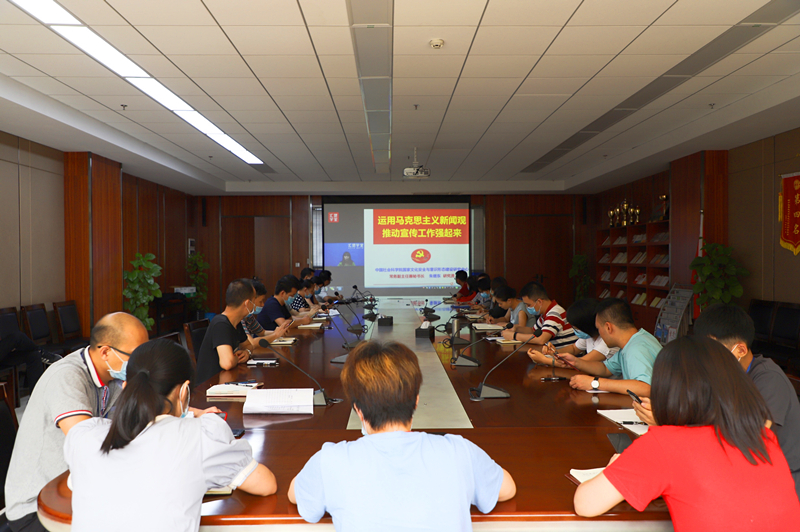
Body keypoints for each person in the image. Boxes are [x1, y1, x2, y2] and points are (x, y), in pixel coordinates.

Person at [574, 336, 800, 530]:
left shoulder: (664, 444)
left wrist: (615, 466)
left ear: (666, 389)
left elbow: (585, 504)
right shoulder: (760, 435)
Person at [287, 340, 516, 531]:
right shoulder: (458, 451)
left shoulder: (330, 460)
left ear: (358, 410)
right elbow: (507, 489)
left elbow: (295, 495)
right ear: (416, 401)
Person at [64, 339, 277, 532]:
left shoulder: (85, 435)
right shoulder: (201, 435)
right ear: (184, 392)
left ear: (125, 387)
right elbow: (266, 485)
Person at [4, 312, 149, 532]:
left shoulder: (113, 377)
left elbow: (139, 421)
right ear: (106, 352)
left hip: (78, 488)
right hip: (38, 506)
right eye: (135, 357)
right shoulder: (67, 376)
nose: (141, 365)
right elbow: (87, 445)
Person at [688, 303, 800, 500]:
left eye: (713, 352)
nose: (707, 359)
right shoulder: (726, 374)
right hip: (746, 470)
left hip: (783, 480)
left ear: (740, 349)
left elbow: (752, 437)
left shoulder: (768, 379)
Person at [195, 279, 260, 384]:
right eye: (254, 300)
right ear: (247, 303)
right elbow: (227, 363)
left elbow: (248, 345)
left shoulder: (236, 322)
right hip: (210, 386)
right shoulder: (221, 324)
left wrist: (246, 353)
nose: (255, 305)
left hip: (226, 380)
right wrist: (237, 358)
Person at [528, 298, 618, 365]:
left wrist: (544, 360)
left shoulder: (607, 342)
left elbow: (579, 363)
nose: (573, 330)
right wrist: (554, 352)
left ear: (586, 326)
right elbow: (574, 348)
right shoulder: (589, 335)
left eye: (575, 327)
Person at [502, 282, 576, 348]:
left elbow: (541, 339)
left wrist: (514, 335)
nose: (527, 307)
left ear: (539, 302)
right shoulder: (545, 313)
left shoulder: (555, 313)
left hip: (563, 356)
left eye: (528, 305)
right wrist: (516, 329)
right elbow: (533, 330)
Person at [240, 278, 291, 346]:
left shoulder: (249, 316)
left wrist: (279, 332)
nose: (263, 305)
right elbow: (251, 343)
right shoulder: (239, 318)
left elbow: (262, 332)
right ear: (250, 301)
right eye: (260, 301)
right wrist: (275, 335)